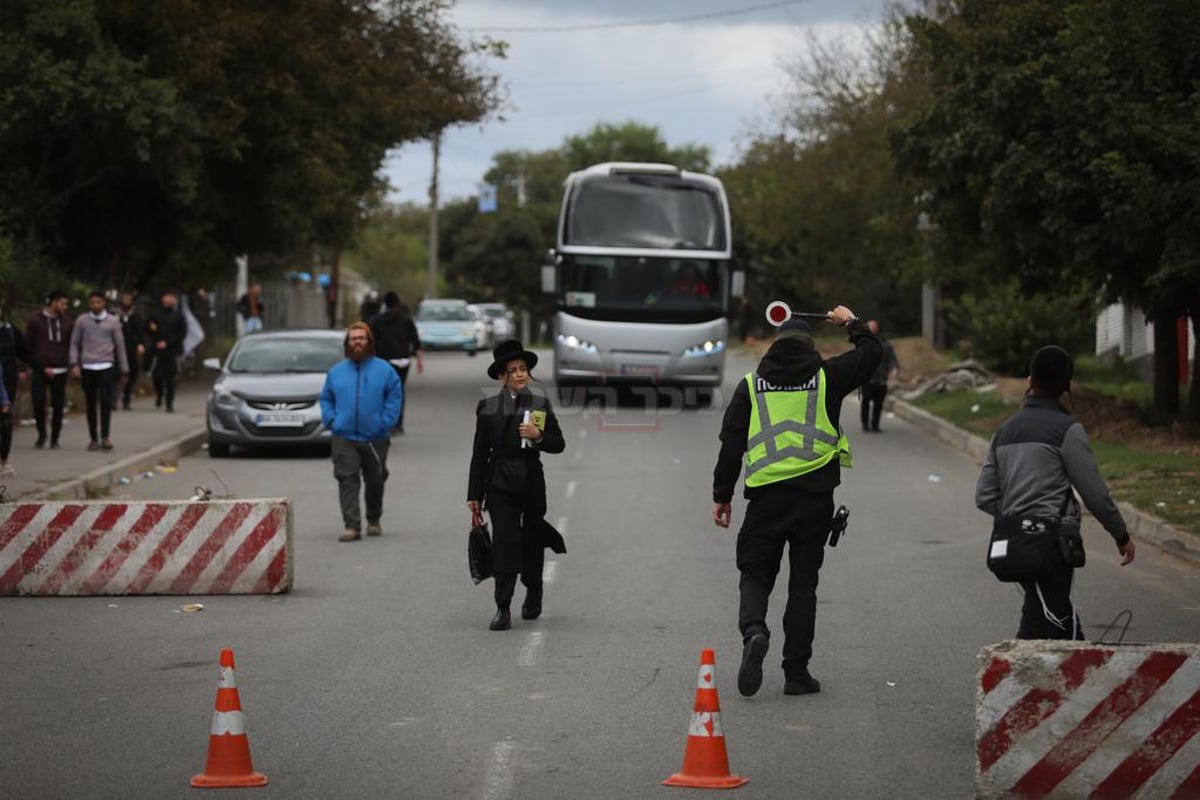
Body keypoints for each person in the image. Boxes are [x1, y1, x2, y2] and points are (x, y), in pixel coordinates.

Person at [712, 307, 880, 697]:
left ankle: (754, 631)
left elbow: (731, 445)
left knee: (754, 574)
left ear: (774, 346)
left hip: (766, 501)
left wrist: (722, 496)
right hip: (813, 502)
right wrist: (851, 322)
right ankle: (796, 673)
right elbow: (872, 354)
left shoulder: (751, 385)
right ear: (810, 347)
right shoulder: (827, 378)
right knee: (803, 586)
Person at [975, 345, 1135, 640]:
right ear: (1066, 387)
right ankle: (1077, 679)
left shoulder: (1004, 432)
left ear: (1029, 381)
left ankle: (1028, 678)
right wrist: (1121, 535)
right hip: (1053, 545)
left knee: (1042, 618)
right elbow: (1094, 493)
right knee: (1062, 626)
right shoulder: (1067, 429)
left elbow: (984, 495)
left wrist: (1016, 519)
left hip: (1014, 544)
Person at [467, 340, 566, 631]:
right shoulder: (487, 407)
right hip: (499, 482)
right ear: (502, 376)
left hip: (532, 480)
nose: (520, 374)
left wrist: (538, 436)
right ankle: (503, 606)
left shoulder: (539, 404)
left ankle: (534, 590)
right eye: (513, 370)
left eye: (524, 369)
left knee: (532, 539)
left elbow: (559, 444)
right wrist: (474, 494)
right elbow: (479, 452)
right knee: (506, 542)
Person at [319, 322, 402, 542]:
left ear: (370, 342)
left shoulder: (385, 370)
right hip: (344, 436)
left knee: (375, 480)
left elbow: (394, 395)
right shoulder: (336, 372)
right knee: (347, 478)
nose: (358, 342)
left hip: (376, 436)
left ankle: (373, 519)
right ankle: (352, 526)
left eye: (362, 338)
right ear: (347, 344)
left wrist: (386, 421)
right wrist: (331, 419)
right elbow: (326, 398)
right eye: (353, 339)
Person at [69, 291, 129, 451]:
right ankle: (93, 438)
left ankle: (105, 437)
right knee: (90, 403)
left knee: (105, 402)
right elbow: (74, 343)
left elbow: (120, 346)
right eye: (93, 302)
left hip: (106, 365)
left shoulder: (112, 322)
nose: (96, 305)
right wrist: (74, 363)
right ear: (89, 303)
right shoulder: (82, 321)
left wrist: (124, 369)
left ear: (104, 303)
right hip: (88, 365)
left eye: (99, 302)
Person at [25, 290, 74, 449]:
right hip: (40, 368)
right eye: (62, 303)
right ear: (53, 302)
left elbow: (70, 344)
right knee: (39, 402)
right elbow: (27, 345)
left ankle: (55, 437)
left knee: (58, 405)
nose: (64, 307)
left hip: (60, 368)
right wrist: (31, 366)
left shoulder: (67, 322)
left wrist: (70, 363)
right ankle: (41, 434)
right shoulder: (35, 320)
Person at [370, 291, 424, 434]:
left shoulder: (377, 320)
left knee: (384, 391)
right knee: (398, 391)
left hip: (384, 361)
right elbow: (415, 339)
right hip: (403, 361)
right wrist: (419, 360)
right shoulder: (406, 319)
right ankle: (398, 424)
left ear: (385, 304)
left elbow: (371, 341)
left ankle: (386, 421)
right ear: (397, 303)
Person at [0, 309, 38, 476]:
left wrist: (40, 368)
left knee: (5, 421)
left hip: (6, 382)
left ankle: (4, 460)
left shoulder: (9, 330)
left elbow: (25, 352)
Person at [145, 288, 188, 412]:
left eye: (172, 297)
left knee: (170, 378)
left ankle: (170, 402)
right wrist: (150, 328)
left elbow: (182, 332)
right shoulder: (155, 313)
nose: (170, 299)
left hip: (172, 351)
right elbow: (147, 328)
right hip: (157, 351)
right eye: (167, 297)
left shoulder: (179, 315)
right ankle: (159, 394)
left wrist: (168, 342)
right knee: (157, 376)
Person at [860, 319, 900, 432]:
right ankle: (865, 423)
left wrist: (894, 368)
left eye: (873, 326)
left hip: (881, 378)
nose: (871, 329)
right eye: (869, 327)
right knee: (866, 401)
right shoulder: (863, 343)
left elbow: (891, 359)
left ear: (878, 328)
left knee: (878, 403)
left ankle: (875, 424)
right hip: (867, 378)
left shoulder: (885, 344)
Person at [115, 291, 144, 410]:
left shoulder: (136, 314)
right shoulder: (114, 314)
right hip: (115, 347)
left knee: (132, 372)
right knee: (115, 372)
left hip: (131, 346)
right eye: (125, 298)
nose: (127, 300)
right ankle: (114, 398)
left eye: (129, 298)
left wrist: (140, 344)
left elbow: (140, 330)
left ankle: (127, 397)